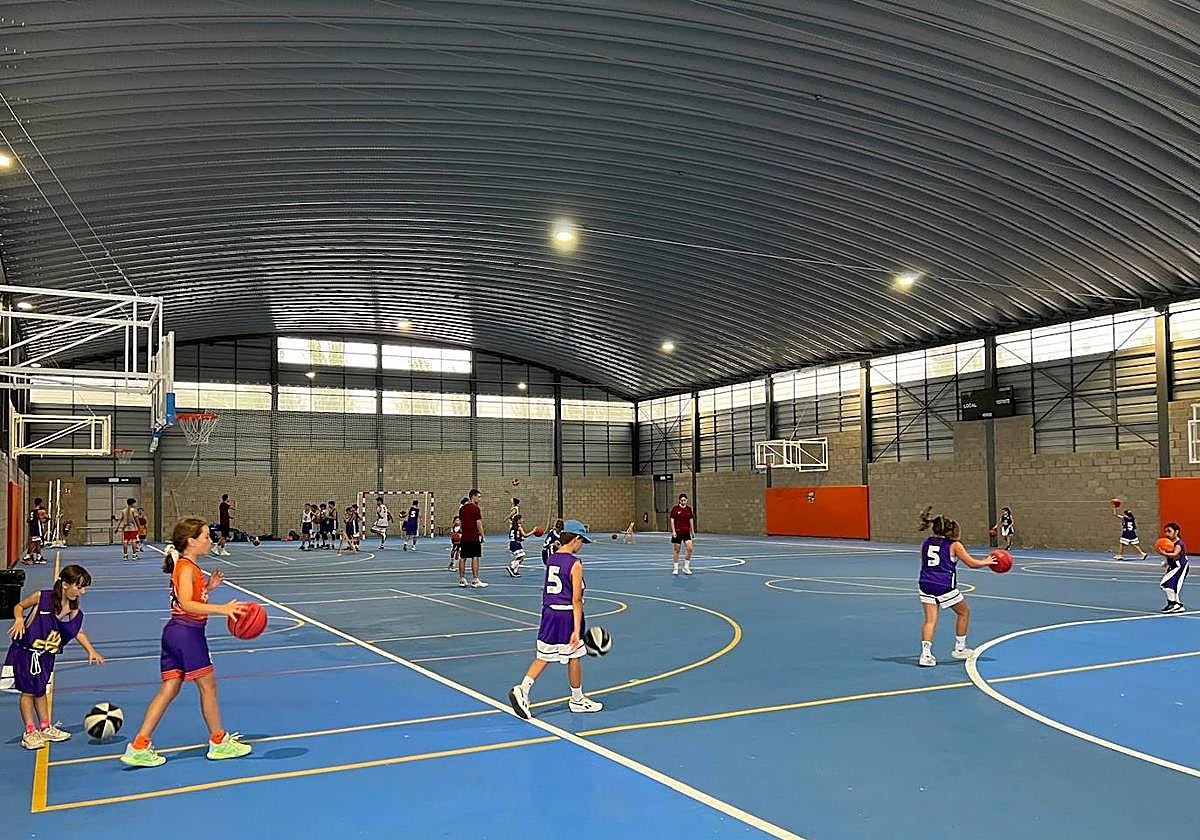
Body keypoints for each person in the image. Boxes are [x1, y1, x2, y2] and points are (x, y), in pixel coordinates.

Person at [120, 518, 251, 767]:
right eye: (205, 537)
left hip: (176, 633)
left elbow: (189, 596)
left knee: (170, 689)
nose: (209, 541)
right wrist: (222, 608)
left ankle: (139, 745)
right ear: (191, 541)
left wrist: (209, 587)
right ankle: (219, 741)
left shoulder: (187, 566)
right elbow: (186, 604)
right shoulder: (186, 568)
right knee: (208, 686)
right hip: (187, 633)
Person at [5, 565, 105, 750]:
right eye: (79, 587)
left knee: (41, 691)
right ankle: (29, 731)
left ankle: (45, 727)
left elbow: (78, 631)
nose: (82, 592)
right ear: (65, 584)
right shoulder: (42, 597)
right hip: (26, 652)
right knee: (27, 692)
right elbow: (19, 606)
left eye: (84, 588)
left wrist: (91, 650)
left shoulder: (73, 606)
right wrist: (19, 619)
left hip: (46, 655)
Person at [507, 531, 602, 719]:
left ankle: (523, 688)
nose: (582, 545)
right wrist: (576, 629)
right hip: (566, 614)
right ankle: (577, 699)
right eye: (582, 541)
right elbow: (576, 599)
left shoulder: (552, 559)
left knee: (544, 655)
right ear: (576, 539)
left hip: (549, 613)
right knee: (575, 655)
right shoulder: (575, 563)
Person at [917, 506, 996, 667]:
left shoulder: (926, 542)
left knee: (930, 620)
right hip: (944, 585)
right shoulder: (954, 545)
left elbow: (923, 561)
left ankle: (925, 655)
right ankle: (960, 648)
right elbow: (972, 563)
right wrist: (987, 562)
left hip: (925, 583)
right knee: (963, 612)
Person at [457, 490, 487, 588]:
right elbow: (479, 523)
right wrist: (482, 535)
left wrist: (463, 531)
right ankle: (475, 580)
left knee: (463, 558)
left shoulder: (462, 509)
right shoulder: (475, 509)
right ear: (473, 497)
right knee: (475, 557)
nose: (479, 499)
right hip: (473, 537)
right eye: (478, 497)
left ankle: (462, 579)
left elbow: (460, 523)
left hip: (464, 537)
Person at [1158, 522, 1188, 613]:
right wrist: (1166, 562)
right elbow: (1169, 556)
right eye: (1165, 531)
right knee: (1171, 585)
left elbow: (1175, 554)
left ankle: (1173, 604)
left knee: (1167, 583)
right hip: (1173, 566)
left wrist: (1163, 553)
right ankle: (1177, 604)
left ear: (1176, 532)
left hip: (1180, 566)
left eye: (1169, 531)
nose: (1167, 533)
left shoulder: (1179, 543)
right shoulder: (1168, 542)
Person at [669, 493, 695, 576]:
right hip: (678, 532)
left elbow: (691, 520)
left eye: (685, 500)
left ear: (687, 500)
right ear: (679, 501)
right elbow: (672, 520)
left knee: (690, 548)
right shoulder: (675, 509)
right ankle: (676, 568)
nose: (683, 501)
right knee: (677, 550)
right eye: (682, 500)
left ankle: (686, 567)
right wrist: (673, 531)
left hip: (686, 532)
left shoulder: (689, 509)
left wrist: (692, 531)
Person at [505, 513, 536, 577]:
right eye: (521, 519)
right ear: (518, 520)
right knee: (521, 556)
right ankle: (512, 567)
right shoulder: (519, 527)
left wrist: (520, 538)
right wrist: (533, 531)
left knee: (519, 557)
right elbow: (525, 535)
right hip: (516, 544)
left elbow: (515, 535)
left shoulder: (513, 526)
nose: (522, 520)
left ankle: (515, 571)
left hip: (512, 543)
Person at [114, 498, 140, 562]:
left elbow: (120, 520)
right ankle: (134, 555)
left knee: (125, 541)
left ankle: (125, 555)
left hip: (126, 528)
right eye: (134, 503)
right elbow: (136, 520)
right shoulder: (134, 510)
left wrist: (117, 528)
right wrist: (139, 527)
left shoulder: (123, 511)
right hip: (133, 528)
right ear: (132, 503)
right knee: (133, 541)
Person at [23, 497, 46, 565]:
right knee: (34, 542)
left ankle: (39, 556)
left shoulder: (32, 511)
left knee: (38, 542)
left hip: (32, 527)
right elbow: (42, 520)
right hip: (37, 528)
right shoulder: (39, 511)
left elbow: (28, 520)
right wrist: (47, 518)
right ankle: (27, 556)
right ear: (40, 503)